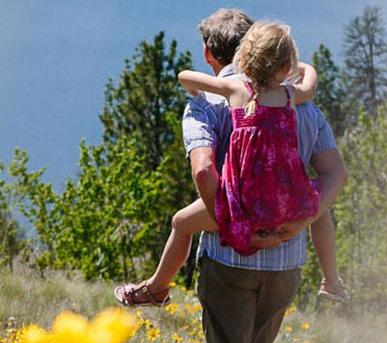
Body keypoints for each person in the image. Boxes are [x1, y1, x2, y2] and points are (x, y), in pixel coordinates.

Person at [169, 8, 351, 343]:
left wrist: (235, 225)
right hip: (287, 262)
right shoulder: (300, 104)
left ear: (218, 55)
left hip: (232, 252)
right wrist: (301, 222)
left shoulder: (220, 98)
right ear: (285, 65)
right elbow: (334, 175)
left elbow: (205, 171)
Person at [114, 22, 346, 307]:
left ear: (243, 61)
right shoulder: (290, 96)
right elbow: (310, 82)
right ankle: (331, 279)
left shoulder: (234, 89)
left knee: (181, 222)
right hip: (285, 198)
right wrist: (301, 68)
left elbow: (185, 78)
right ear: (285, 67)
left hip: (244, 201)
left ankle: (157, 288)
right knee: (317, 208)